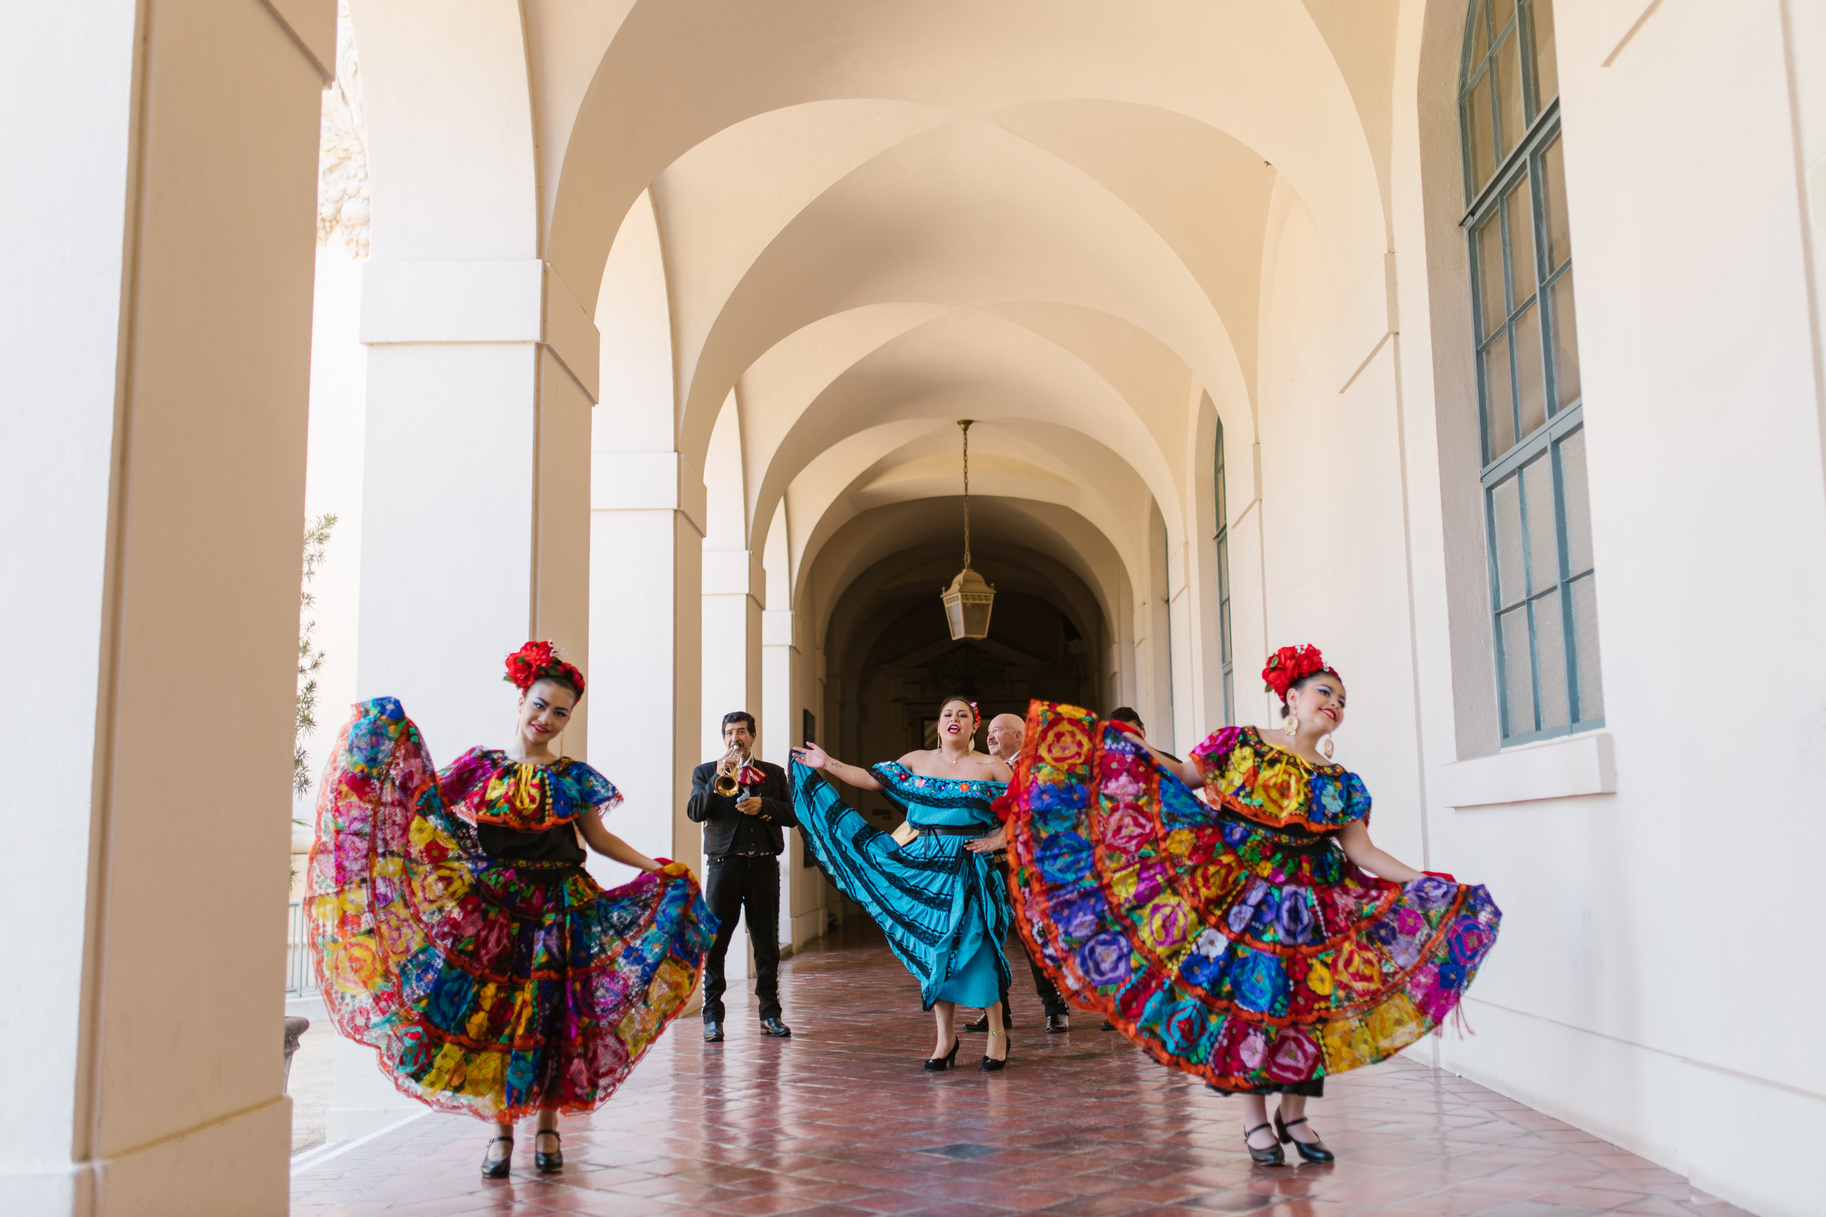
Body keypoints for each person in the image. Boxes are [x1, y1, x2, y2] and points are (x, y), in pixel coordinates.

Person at [1000, 645, 1501, 1166]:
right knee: (1255, 1008)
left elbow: (1363, 852)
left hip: (1314, 906)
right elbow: (1186, 777)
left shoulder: (1340, 783)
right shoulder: (1242, 745)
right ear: (1291, 697)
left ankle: (1297, 1113)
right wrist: (1127, 752)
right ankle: (1255, 1121)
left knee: (1306, 1009)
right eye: (1324, 691)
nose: (1334, 703)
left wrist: (1426, 882)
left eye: (1342, 700)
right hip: (1241, 896)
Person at [306, 642, 712, 1179]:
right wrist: (388, 751)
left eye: (561, 712)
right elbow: (424, 808)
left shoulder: (572, 777)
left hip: (562, 909)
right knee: (496, 1020)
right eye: (539, 705)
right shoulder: (479, 769)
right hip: (493, 916)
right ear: (521, 699)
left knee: (552, 1020)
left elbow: (600, 838)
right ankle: (500, 1132)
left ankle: (547, 1126)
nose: (547, 719)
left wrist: (655, 868)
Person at [790, 697, 1014, 1071]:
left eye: (963, 715)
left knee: (980, 949)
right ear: (939, 725)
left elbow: (1027, 809)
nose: (954, 719)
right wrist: (826, 763)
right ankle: (946, 1038)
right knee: (934, 950)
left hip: (971, 866)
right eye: (947, 714)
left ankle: (997, 1034)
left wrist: (997, 840)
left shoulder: (992, 766)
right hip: (925, 866)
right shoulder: (916, 760)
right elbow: (870, 779)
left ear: (975, 726)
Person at [960, 713, 1073, 1034]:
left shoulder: (1036, 767)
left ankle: (1055, 1007)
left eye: (998, 731)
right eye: (990, 731)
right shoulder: (982, 768)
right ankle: (997, 1010)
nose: (991, 736)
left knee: (1032, 935)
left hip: (1026, 866)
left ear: (1020, 736)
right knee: (986, 935)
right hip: (984, 863)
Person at [688, 711, 796, 1042]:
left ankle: (770, 1014)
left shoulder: (774, 774)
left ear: (752, 736)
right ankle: (712, 1016)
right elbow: (695, 812)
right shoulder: (706, 772)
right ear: (724, 738)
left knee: (767, 943)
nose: (735, 737)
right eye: (729, 732)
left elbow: (791, 816)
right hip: (725, 866)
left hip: (763, 865)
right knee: (715, 942)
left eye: (742, 732)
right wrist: (715, 780)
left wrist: (763, 805)